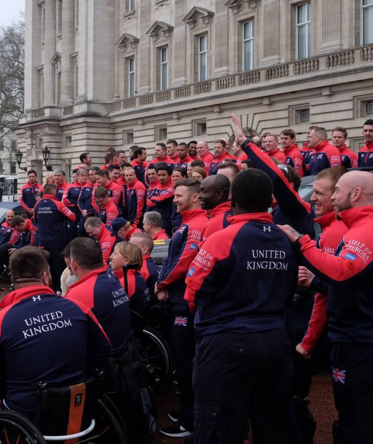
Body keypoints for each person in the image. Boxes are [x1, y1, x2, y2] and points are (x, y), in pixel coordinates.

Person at [185, 169, 300, 444]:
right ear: (270, 201)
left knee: (218, 428)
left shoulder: (221, 239)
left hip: (226, 343)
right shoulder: (287, 238)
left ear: (233, 199)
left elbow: (193, 293)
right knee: (275, 427)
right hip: (275, 340)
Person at [279, 170, 373, 444]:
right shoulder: (358, 226)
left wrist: (301, 242)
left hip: (360, 340)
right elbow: (355, 283)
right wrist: (317, 282)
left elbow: (343, 272)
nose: (332, 197)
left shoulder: (365, 229)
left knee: (357, 416)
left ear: (355, 194)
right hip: (354, 336)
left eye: (337, 191)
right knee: (351, 412)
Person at [0, 247, 111, 421]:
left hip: (28, 412)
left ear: (13, 278)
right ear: (46, 276)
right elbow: (103, 349)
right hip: (78, 403)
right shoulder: (78, 307)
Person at [293, 167, 348, 444]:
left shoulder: (335, 233)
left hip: (344, 333)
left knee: (350, 410)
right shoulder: (331, 228)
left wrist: (308, 341)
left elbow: (324, 296)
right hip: (345, 331)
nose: (313, 198)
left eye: (319, 193)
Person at [155, 178, 208, 438]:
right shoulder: (186, 223)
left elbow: (185, 261)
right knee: (182, 359)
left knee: (186, 361)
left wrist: (162, 283)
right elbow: (171, 258)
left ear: (195, 197)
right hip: (178, 298)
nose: (174, 199)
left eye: (179, 195)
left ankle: (191, 420)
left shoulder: (196, 224)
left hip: (184, 302)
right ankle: (188, 411)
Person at [66, 237, 131, 359]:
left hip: (104, 362)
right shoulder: (112, 277)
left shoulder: (80, 293)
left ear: (73, 264)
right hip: (124, 352)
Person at [33, 183, 76, 291]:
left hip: (43, 241)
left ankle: (51, 289)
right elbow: (73, 217)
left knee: (48, 267)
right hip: (57, 241)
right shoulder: (58, 204)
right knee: (59, 267)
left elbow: (35, 220)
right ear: (53, 192)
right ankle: (61, 289)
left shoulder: (37, 205)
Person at [110, 242, 151, 314]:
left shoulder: (125, 282)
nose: (111, 257)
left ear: (126, 260)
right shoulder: (136, 275)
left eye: (115, 253)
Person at [199, 175, 232, 239]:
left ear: (219, 194)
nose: (199, 196)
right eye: (200, 191)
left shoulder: (216, 224)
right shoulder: (232, 212)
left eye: (204, 191)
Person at [146, 163, 174, 236]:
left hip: (166, 222)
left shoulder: (172, 188)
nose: (161, 177)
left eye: (163, 175)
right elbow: (148, 202)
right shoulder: (156, 187)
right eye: (159, 175)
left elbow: (159, 200)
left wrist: (153, 199)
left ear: (170, 175)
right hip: (154, 222)